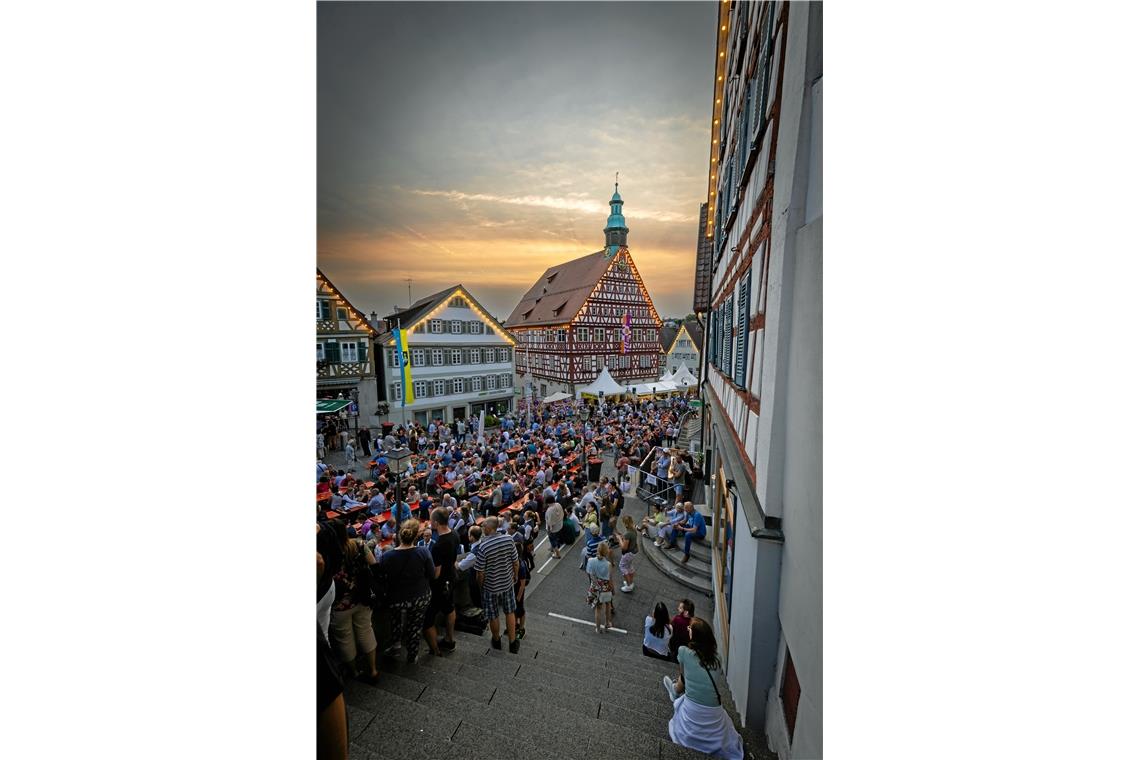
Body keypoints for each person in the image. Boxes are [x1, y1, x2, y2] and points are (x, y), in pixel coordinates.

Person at [662, 618, 744, 760]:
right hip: (714, 711)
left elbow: (684, 674)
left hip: (692, 709)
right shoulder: (718, 659)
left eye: (689, 629)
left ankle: (675, 690)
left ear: (694, 635)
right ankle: (675, 690)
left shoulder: (683, 651)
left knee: (682, 684)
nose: (688, 630)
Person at [377, 519, 436, 664]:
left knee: (395, 620)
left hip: (396, 598)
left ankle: (396, 645)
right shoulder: (423, 551)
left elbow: (382, 578)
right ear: (416, 536)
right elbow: (432, 574)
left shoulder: (387, 556)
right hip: (419, 596)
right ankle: (412, 655)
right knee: (414, 626)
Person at [327, 520, 380, 682]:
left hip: (340, 604)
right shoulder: (359, 545)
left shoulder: (327, 554)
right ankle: (372, 670)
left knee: (345, 639)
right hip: (362, 597)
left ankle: (354, 672)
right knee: (366, 631)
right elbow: (375, 565)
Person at [474, 516, 521, 653]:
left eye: (483, 526)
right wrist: (515, 575)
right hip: (507, 583)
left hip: (490, 586)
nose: (482, 529)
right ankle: (513, 642)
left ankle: (496, 640)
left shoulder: (483, 546)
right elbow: (515, 561)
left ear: (489, 528)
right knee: (510, 611)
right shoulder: (508, 539)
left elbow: (480, 573)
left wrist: (480, 586)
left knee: (493, 615)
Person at [424, 508, 459, 656]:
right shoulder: (455, 534)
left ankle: (435, 650)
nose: (429, 522)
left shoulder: (438, 545)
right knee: (450, 609)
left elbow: (436, 573)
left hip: (439, 585)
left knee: (427, 620)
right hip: (451, 578)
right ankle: (450, 639)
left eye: (431, 520)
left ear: (436, 523)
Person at [585, 541, 615, 633]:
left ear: (598, 550)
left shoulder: (591, 561)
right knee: (608, 605)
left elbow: (589, 574)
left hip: (595, 588)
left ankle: (598, 628)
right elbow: (610, 580)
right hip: (605, 588)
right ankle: (607, 623)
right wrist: (613, 589)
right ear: (606, 552)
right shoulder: (608, 565)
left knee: (598, 609)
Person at [617, 515, 638, 593]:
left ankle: (629, 585)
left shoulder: (628, 533)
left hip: (628, 553)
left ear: (625, 524)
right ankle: (631, 582)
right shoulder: (634, 529)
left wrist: (619, 539)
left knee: (622, 566)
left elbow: (624, 548)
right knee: (629, 566)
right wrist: (623, 538)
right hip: (633, 552)